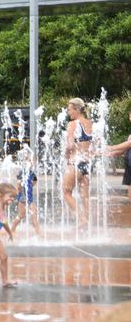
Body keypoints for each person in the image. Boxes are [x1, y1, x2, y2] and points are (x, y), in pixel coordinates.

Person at [63, 97, 93, 227]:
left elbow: (70, 146)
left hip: (75, 162)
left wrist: (65, 156)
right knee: (84, 195)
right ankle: (87, 221)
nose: (68, 113)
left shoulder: (72, 124)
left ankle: (82, 219)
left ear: (76, 109)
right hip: (87, 163)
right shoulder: (89, 123)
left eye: (69, 110)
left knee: (66, 192)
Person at [105, 111, 131, 202]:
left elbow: (129, 144)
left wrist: (111, 148)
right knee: (130, 185)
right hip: (129, 164)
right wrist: (111, 153)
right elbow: (125, 149)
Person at [10, 166, 42, 238]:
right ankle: (12, 230)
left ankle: (39, 233)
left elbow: (35, 181)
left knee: (32, 214)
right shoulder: (22, 172)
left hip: (28, 197)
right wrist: (23, 193)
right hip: (23, 197)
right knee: (22, 215)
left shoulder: (31, 172)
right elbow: (18, 185)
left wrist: (29, 187)